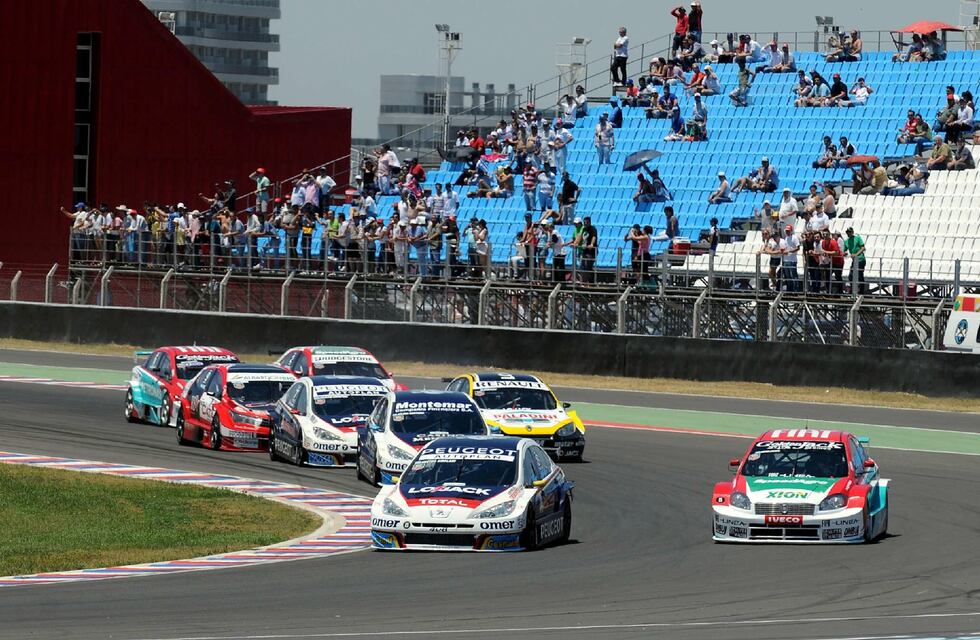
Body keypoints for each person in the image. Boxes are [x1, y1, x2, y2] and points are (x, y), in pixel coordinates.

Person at [842, 227, 866, 293]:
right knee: (851, 276)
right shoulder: (846, 241)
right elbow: (844, 250)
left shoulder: (857, 238)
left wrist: (856, 254)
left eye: (850, 232)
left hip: (860, 259)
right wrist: (844, 253)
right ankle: (853, 290)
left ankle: (861, 291)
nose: (849, 233)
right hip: (854, 260)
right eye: (847, 232)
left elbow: (863, 247)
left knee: (860, 275)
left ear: (852, 232)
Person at [780, 225, 800, 292]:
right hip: (786, 259)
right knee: (787, 276)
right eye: (786, 231)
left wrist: (789, 251)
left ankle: (796, 290)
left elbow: (798, 247)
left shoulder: (794, 238)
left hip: (792, 260)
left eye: (788, 230)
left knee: (793, 275)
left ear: (791, 230)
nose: (787, 232)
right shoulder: (786, 238)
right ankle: (789, 290)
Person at [580, 216, 598, 283]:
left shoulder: (593, 229)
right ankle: (584, 281)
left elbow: (594, 237)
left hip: (591, 251)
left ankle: (591, 281)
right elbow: (580, 237)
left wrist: (592, 244)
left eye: (586, 222)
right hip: (584, 250)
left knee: (588, 266)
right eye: (584, 222)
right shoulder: (584, 229)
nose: (585, 224)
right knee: (582, 266)